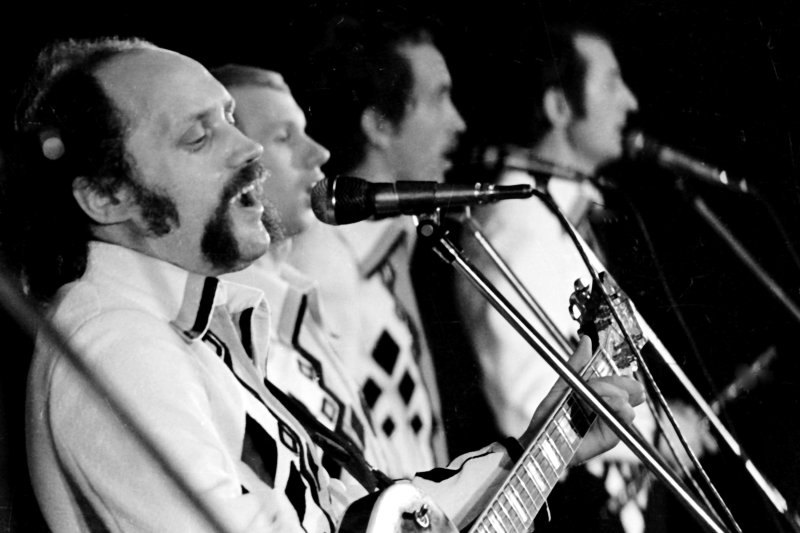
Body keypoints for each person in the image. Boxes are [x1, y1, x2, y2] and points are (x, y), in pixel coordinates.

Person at [10, 37, 644, 532]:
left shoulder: (194, 331)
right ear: (105, 196)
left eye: (230, 118)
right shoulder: (120, 344)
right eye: (199, 136)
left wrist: (539, 450)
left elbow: (363, 513)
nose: (249, 149)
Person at [454, 21, 714, 533]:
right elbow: (527, 406)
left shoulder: (559, 213)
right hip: (576, 508)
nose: (630, 101)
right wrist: (657, 437)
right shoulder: (517, 222)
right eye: (612, 82)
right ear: (558, 107)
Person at [287, 14, 465, 476]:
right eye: (439, 97)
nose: (458, 122)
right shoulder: (322, 259)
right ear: (380, 124)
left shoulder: (401, 249)